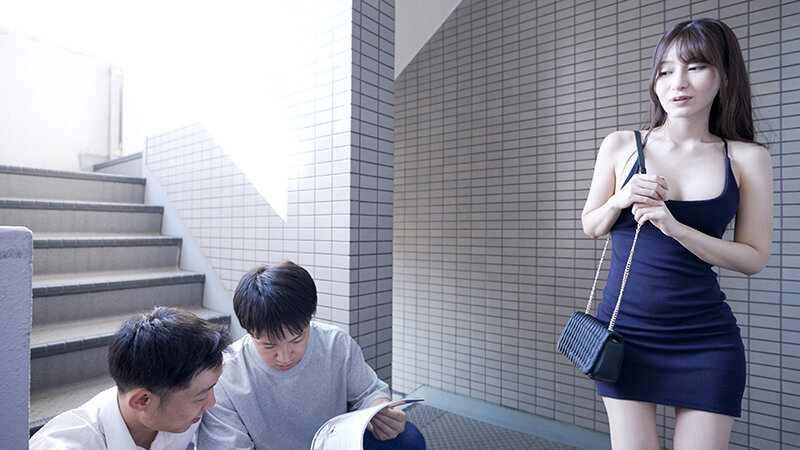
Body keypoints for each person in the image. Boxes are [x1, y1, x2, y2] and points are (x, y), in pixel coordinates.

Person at [581, 18, 772, 449]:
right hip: (625, 335)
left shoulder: (747, 158)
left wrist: (677, 228)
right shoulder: (621, 145)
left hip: (706, 341)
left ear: (725, 76)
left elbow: (754, 258)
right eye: (665, 70)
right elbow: (591, 225)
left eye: (696, 66)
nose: (678, 82)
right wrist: (619, 199)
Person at [197, 260, 425, 449]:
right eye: (269, 345)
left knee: (408, 439)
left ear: (310, 319)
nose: (285, 357)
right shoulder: (226, 374)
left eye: (297, 339)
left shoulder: (336, 344)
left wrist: (381, 412)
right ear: (249, 331)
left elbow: (368, 392)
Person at [29, 307, 231, 450]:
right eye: (200, 396)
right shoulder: (68, 444)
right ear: (142, 400)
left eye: (211, 388)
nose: (211, 403)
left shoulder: (176, 411)